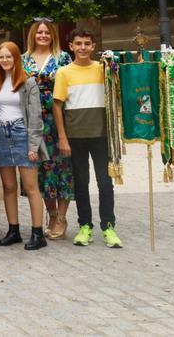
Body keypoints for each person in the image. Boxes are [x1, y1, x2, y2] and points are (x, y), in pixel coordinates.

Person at [54, 28, 122, 249]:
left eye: (87, 43)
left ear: (93, 46)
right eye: (78, 43)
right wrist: (62, 137)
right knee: (81, 183)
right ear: (71, 47)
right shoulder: (64, 72)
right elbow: (57, 105)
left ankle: (108, 226)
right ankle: (85, 225)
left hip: (101, 135)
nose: (82, 48)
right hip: (76, 136)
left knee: (105, 181)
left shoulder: (104, 69)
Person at [0, 41, 47, 250]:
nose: (5, 60)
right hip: (2, 134)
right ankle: (14, 230)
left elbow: (36, 116)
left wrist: (33, 145)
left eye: (8, 56)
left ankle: (38, 232)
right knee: (9, 187)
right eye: (1, 57)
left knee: (30, 187)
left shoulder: (28, 82)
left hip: (23, 133)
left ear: (16, 58)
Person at [23, 18, 74, 240]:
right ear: (33, 35)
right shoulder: (23, 59)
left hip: (58, 118)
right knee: (42, 169)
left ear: (52, 35)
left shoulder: (62, 57)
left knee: (62, 168)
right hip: (34, 120)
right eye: (39, 32)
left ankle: (62, 216)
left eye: (47, 32)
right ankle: (50, 214)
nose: (43, 36)